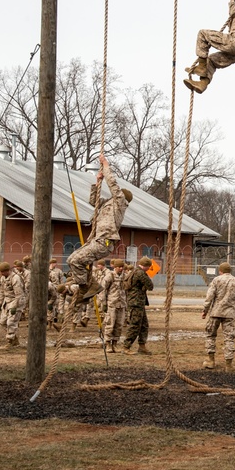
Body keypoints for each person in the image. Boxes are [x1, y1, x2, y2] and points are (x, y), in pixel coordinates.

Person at [65, 152, 132, 302]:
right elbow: (93, 201)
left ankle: (86, 288)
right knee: (71, 260)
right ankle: (89, 287)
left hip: (105, 241)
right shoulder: (108, 203)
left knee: (75, 261)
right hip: (96, 240)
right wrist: (97, 183)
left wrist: (106, 165)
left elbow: (113, 184)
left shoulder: (120, 203)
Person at [184, 0, 235, 94]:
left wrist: (232, 0)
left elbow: (233, 11)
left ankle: (201, 67)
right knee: (211, 60)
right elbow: (234, 16)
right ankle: (202, 84)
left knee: (202, 34)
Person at [202, 261, 235, 370]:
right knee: (229, 338)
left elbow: (209, 296)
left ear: (220, 271)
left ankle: (210, 360)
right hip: (229, 313)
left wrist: (205, 310)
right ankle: (228, 364)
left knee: (210, 335)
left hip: (215, 312)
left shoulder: (216, 280)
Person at [122, 257, 154, 355]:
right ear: (146, 266)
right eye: (149, 266)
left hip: (137, 302)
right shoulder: (140, 273)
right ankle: (126, 347)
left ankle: (142, 346)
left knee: (144, 325)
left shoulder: (134, 271)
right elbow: (150, 286)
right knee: (134, 325)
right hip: (136, 303)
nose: (149, 268)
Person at [0, 261, 25, 349]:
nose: (1, 273)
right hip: (7, 301)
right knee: (2, 322)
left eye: (3, 272)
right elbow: (2, 291)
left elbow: (19, 295)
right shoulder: (3, 278)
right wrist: (0, 303)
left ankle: (10, 342)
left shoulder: (15, 278)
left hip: (16, 301)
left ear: (7, 270)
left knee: (11, 322)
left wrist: (15, 307)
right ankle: (14, 339)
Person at [101, 259, 127, 353]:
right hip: (112, 304)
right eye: (119, 267)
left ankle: (115, 343)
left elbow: (127, 290)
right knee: (110, 324)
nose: (121, 269)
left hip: (122, 304)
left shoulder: (125, 276)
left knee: (119, 325)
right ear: (115, 267)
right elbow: (102, 290)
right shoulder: (110, 276)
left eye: (122, 267)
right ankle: (108, 343)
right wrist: (103, 303)